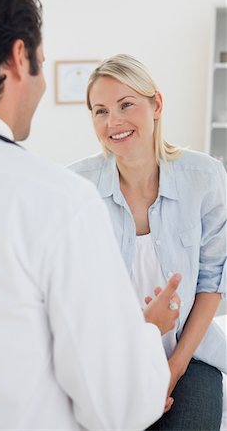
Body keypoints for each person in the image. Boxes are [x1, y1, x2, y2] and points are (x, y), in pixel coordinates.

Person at [0, 0, 183, 430]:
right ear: (17, 57)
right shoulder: (58, 200)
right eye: (42, 65)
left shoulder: (200, 178)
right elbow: (117, 408)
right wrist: (146, 331)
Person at [68, 53, 227, 431]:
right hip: (111, 363)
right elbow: (74, 299)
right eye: (100, 111)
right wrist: (143, 331)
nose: (114, 122)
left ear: (156, 104)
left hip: (190, 356)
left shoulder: (203, 177)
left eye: (126, 105)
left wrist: (171, 371)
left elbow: (211, 282)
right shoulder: (76, 188)